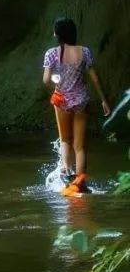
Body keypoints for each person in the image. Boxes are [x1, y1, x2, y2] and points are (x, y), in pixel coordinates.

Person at [43, 16, 110, 194]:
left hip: (62, 100)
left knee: (65, 140)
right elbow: (94, 78)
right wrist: (103, 100)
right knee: (80, 147)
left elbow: (46, 80)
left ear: (57, 34)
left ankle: (67, 179)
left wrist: (57, 81)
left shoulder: (51, 54)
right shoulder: (85, 52)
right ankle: (80, 182)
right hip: (81, 101)